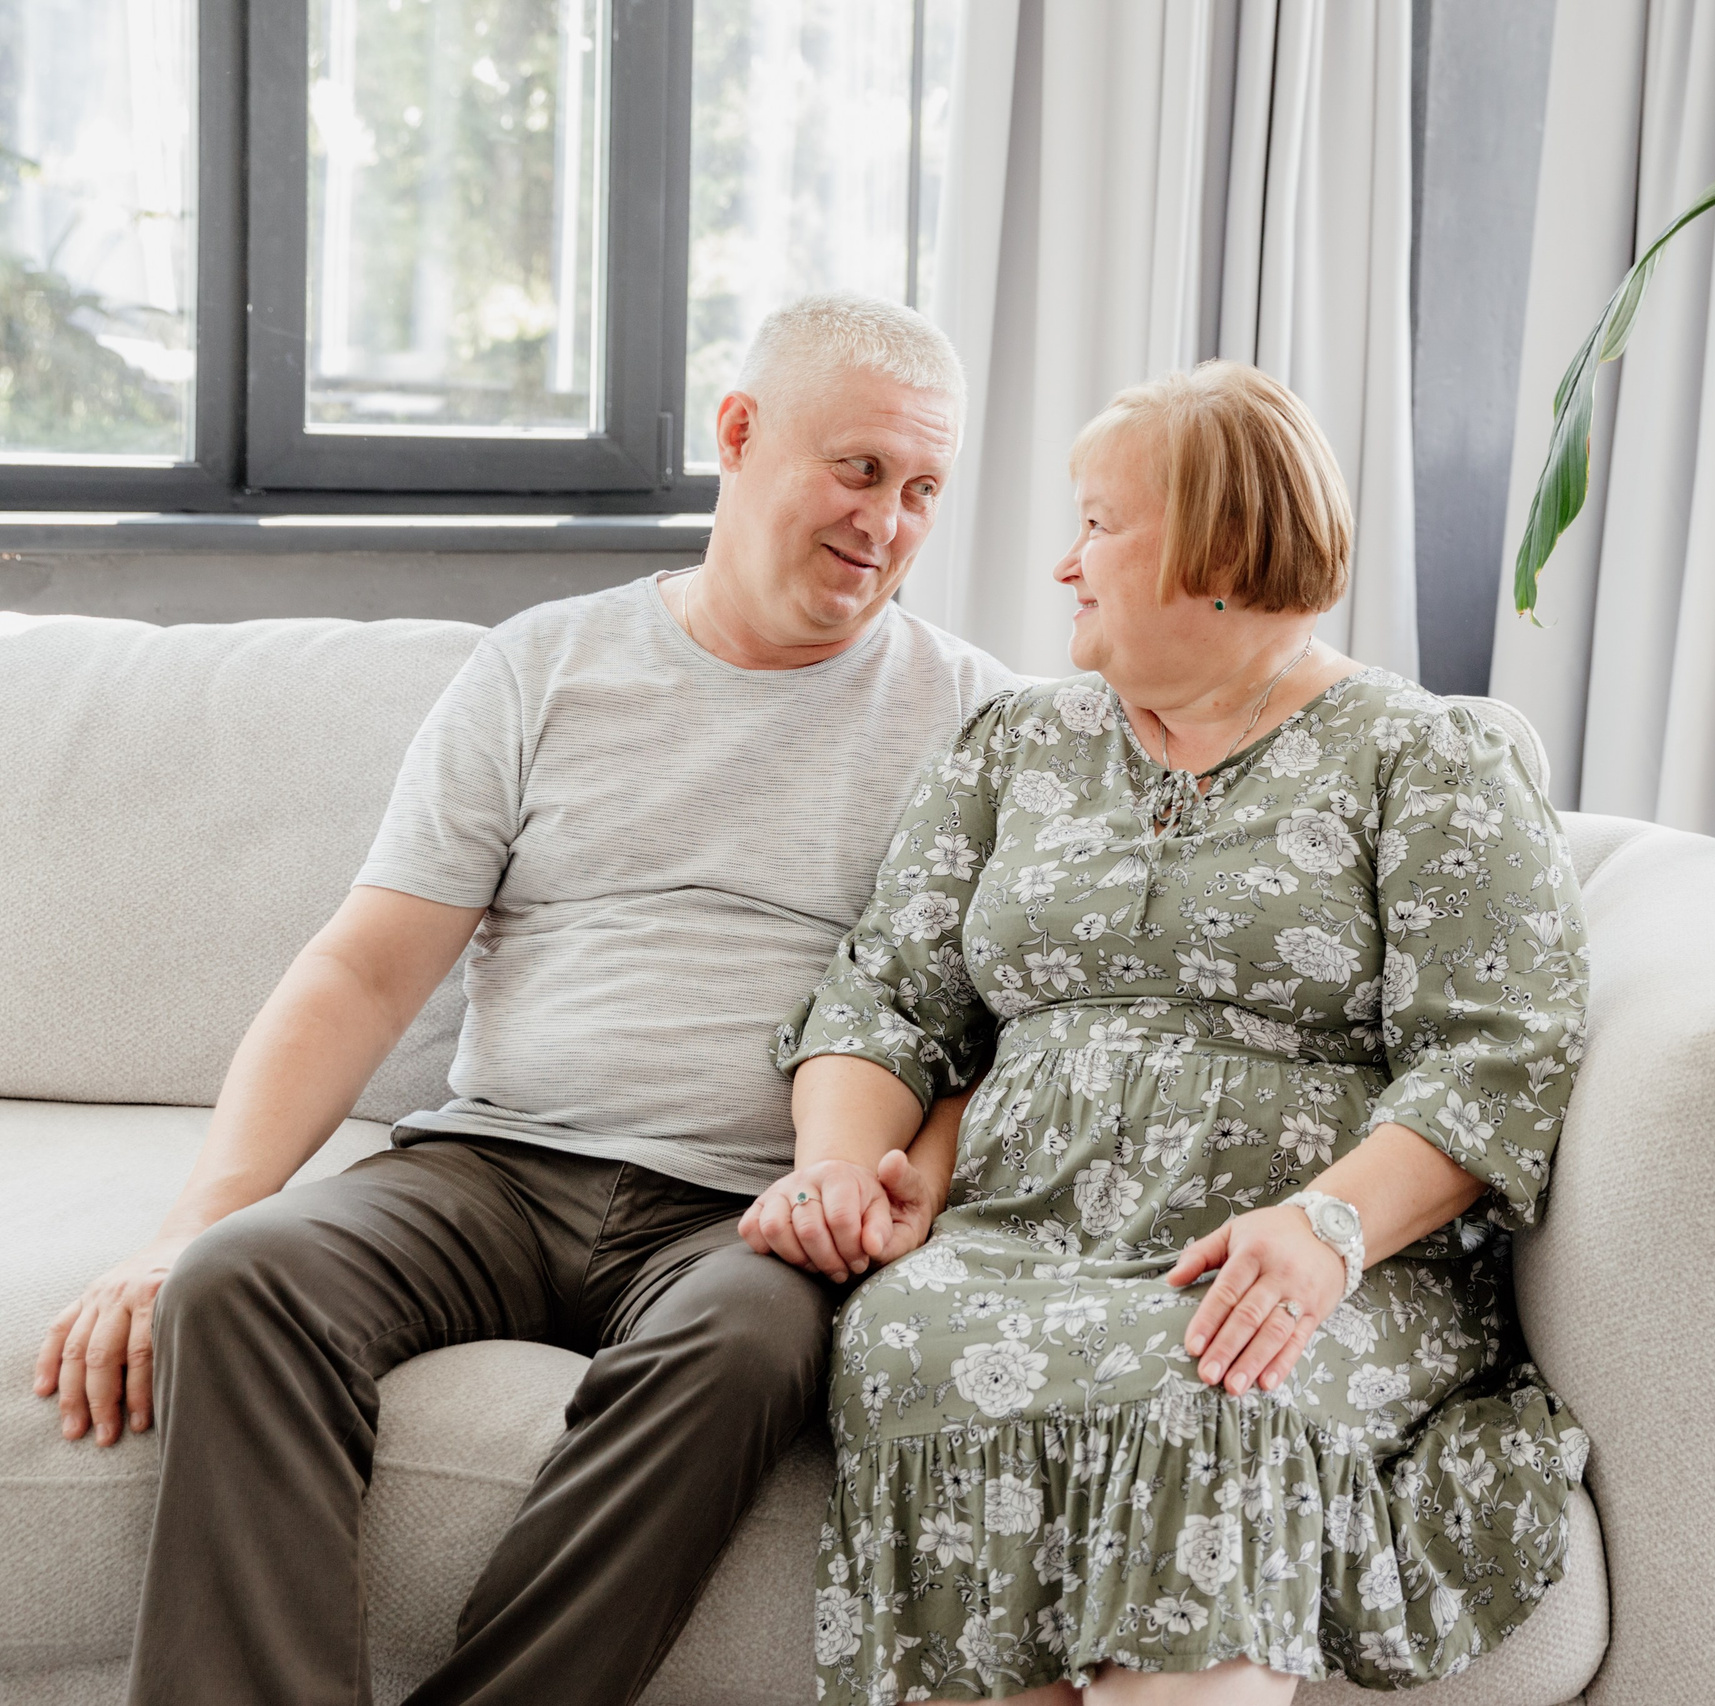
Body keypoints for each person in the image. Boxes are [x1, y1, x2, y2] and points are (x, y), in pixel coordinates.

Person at [29, 292, 1018, 1706]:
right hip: (493, 1163)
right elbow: (365, 966)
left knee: (749, 1346)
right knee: (239, 1284)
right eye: (859, 469)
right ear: (740, 434)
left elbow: (1012, 1024)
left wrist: (889, 1179)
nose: (889, 521)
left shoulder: (981, 720)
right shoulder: (545, 664)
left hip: (741, 1210)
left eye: (925, 489)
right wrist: (186, 1227)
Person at [777, 361, 1592, 1705]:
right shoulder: (1015, 745)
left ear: (1218, 544)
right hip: (1012, 1244)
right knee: (919, 1349)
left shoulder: (1422, 754)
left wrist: (1327, 1228)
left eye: (1099, 523)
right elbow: (886, 994)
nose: (1064, 562)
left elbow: (1502, 1054)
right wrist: (849, 1164)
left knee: (1215, 1378)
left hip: (1297, 1264)